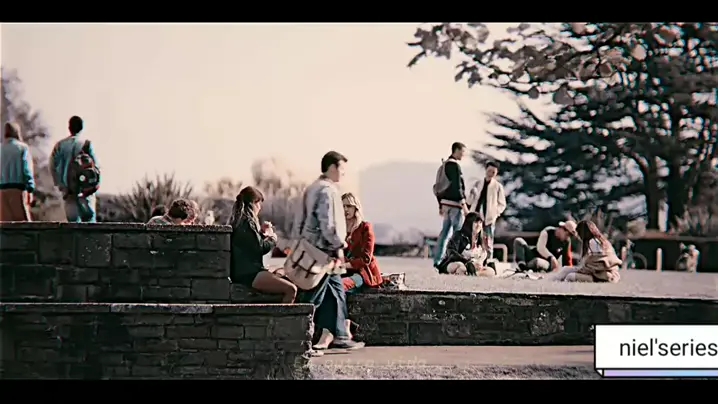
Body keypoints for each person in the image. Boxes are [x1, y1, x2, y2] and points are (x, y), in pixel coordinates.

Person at [292, 151, 364, 351]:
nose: (343, 173)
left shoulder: (312, 188)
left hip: (314, 250)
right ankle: (296, 337)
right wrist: (339, 244)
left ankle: (340, 335)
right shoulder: (327, 191)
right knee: (313, 297)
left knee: (337, 292)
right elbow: (328, 224)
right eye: (342, 168)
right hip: (324, 252)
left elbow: (299, 220)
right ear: (332, 168)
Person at [228, 186, 297, 303]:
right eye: (259, 204)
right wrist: (273, 239)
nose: (260, 208)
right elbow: (260, 248)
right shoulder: (247, 222)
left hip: (244, 272)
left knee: (283, 278)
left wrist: (261, 233)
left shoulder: (240, 221)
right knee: (291, 289)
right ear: (253, 203)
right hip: (250, 275)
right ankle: (282, 315)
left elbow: (250, 245)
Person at [50, 115, 99, 223]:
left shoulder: (60, 145)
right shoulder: (87, 144)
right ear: (82, 128)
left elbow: (52, 166)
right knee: (90, 223)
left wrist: (60, 185)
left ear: (69, 128)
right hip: (86, 191)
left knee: (72, 223)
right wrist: (94, 186)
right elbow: (96, 167)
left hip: (68, 191)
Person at [432, 142, 469, 271]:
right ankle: (455, 258)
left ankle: (438, 260)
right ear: (456, 150)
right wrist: (464, 204)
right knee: (458, 233)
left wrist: (440, 204)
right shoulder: (454, 166)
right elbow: (458, 187)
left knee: (444, 233)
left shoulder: (444, 165)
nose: (463, 155)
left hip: (445, 203)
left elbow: (437, 187)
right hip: (455, 204)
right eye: (462, 152)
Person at [552, 220, 621, 283]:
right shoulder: (602, 240)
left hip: (601, 276)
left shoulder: (593, 242)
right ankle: (552, 282)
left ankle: (555, 283)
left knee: (570, 276)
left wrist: (580, 270)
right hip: (598, 273)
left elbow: (596, 266)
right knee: (566, 269)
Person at [341, 192, 383, 294]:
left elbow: (365, 259)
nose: (345, 209)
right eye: (343, 206)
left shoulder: (365, 228)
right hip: (344, 271)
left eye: (349, 206)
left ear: (356, 208)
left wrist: (343, 265)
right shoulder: (339, 229)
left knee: (340, 285)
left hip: (363, 273)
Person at [468, 161, 506, 261]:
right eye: (489, 171)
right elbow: (470, 201)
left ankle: (488, 262)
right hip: (476, 216)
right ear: (486, 170)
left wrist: (495, 214)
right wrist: (471, 194)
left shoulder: (498, 186)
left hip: (488, 218)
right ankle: (474, 260)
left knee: (488, 242)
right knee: (474, 240)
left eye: (493, 172)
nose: (491, 174)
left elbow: (502, 204)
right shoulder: (478, 183)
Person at [0, 122, 35, 222]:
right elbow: (26, 169)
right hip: (18, 188)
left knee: (5, 224)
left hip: (1, 190)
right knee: (23, 222)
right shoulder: (23, 148)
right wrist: (30, 188)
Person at [513, 220, 577, 272]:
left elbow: (567, 259)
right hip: (533, 255)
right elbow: (540, 248)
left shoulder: (566, 241)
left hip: (546, 263)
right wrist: (551, 257)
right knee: (518, 241)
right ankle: (522, 266)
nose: (568, 237)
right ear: (562, 229)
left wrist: (568, 272)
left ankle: (527, 268)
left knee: (537, 261)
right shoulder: (548, 231)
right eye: (568, 234)